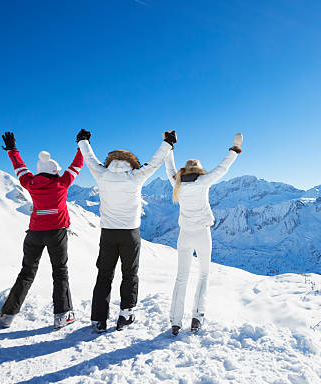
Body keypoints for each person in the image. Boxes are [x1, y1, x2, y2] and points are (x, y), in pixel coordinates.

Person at [76, 129, 177, 332]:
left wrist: (83, 141)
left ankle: (98, 319)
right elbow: (155, 162)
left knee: (104, 275)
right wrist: (168, 142)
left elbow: (90, 159)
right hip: (130, 233)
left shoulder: (102, 174)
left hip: (108, 233)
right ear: (132, 163)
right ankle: (126, 314)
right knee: (130, 274)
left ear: (110, 162)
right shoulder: (135, 176)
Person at [0, 131, 84, 330]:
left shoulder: (30, 183)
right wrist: (81, 145)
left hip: (34, 234)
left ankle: (7, 315)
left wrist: (12, 150)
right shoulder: (62, 183)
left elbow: (19, 167)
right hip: (57, 233)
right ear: (55, 171)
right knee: (60, 273)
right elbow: (77, 165)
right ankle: (62, 316)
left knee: (26, 272)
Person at [166, 133, 242, 335]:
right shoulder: (203, 181)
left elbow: (170, 169)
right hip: (202, 234)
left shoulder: (177, 183)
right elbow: (222, 168)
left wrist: (169, 148)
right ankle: (197, 318)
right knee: (204, 274)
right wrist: (234, 149)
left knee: (181, 277)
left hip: (184, 235)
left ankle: (175, 321)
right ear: (199, 170)